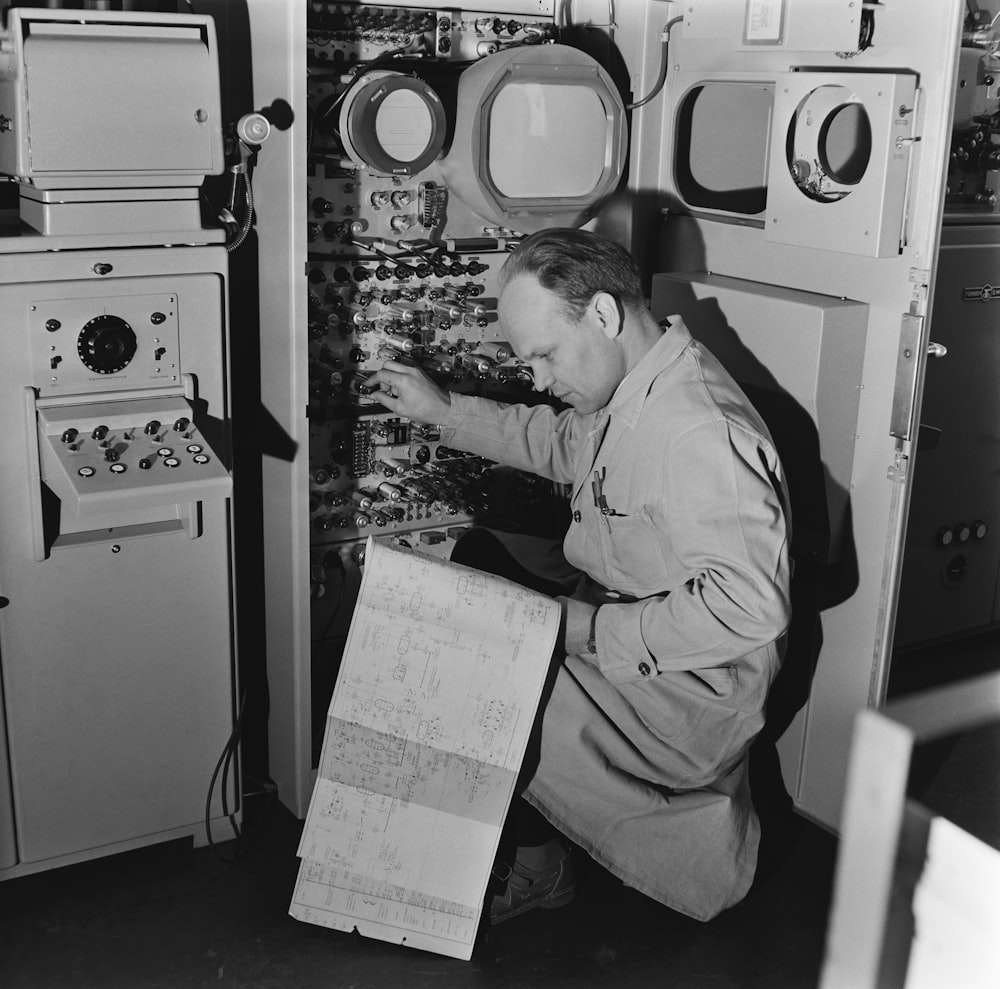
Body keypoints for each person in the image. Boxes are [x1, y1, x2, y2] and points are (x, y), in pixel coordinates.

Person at [367, 227, 791, 924]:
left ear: (602, 314)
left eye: (543, 355)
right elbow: (569, 447)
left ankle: (537, 868)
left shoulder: (699, 432)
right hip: (628, 643)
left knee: (469, 654)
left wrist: (586, 629)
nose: (537, 378)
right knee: (477, 562)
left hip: (688, 699)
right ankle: (522, 841)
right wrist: (446, 413)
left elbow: (748, 609)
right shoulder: (641, 383)